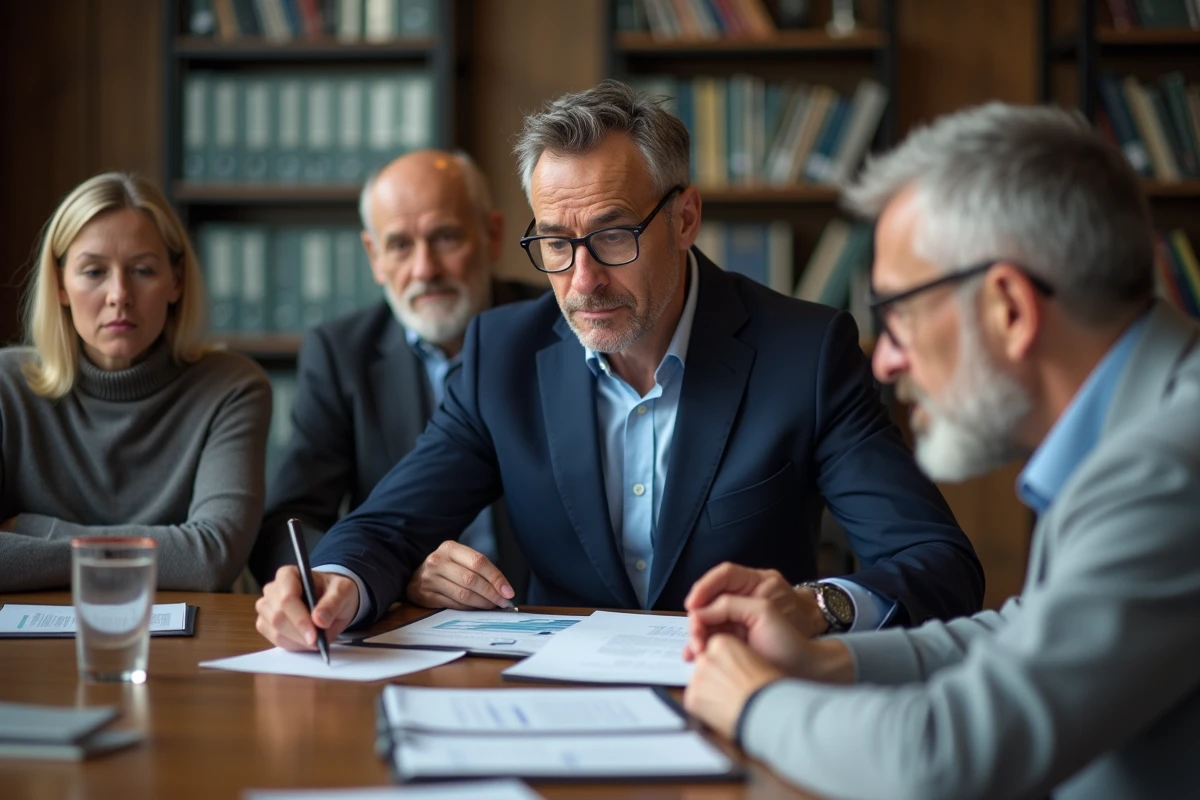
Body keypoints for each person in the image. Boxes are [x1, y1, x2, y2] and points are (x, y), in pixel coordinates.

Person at [253, 80, 983, 652]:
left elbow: (936, 562)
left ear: (686, 218)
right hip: (551, 703)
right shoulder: (500, 355)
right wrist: (332, 584)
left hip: (744, 692)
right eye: (556, 244)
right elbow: (386, 526)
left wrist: (819, 606)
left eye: (612, 236)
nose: (582, 282)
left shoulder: (806, 353)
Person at [682, 103, 1200, 800]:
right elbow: (1022, 636)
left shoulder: (1166, 469)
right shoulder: (1147, 423)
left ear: (1008, 309)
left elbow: (944, 761)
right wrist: (824, 660)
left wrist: (753, 703)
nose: (886, 362)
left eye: (898, 315)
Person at [248, 150, 544, 594]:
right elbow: (287, 526)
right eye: (400, 245)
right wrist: (388, 576)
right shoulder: (341, 353)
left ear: (493, 234)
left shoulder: (553, 330)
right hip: (401, 621)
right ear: (374, 256)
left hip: (545, 613)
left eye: (445, 237)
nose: (425, 269)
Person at [0, 172, 271, 592]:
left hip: (199, 639)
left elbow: (211, 556)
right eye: (93, 272)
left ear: (175, 281)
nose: (119, 294)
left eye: (143, 270)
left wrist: (37, 532)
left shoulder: (231, 387)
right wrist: (163, 553)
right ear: (60, 285)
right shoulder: (6, 385)